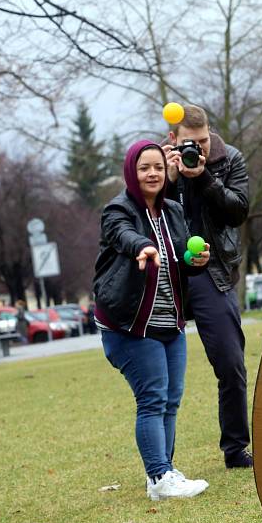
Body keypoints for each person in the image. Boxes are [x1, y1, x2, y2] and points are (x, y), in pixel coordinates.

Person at [93, 139, 210, 500]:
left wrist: (194, 261)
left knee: (171, 400)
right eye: (144, 167)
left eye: (158, 167)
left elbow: (179, 256)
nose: (152, 173)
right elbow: (122, 235)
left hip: (169, 323)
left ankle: (163, 473)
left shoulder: (172, 210)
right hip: (129, 326)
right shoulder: (118, 210)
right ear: (132, 171)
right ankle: (159, 476)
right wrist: (140, 247)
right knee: (153, 399)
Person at [163, 105, 253, 469]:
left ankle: (235, 450)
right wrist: (169, 179)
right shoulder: (157, 162)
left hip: (211, 271)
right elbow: (140, 214)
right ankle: (161, 465)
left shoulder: (228, 159)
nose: (197, 149)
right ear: (173, 139)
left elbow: (238, 211)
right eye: (189, 143)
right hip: (168, 274)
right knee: (161, 376)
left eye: (202, 141)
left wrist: (203, 177)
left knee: (231, 364)